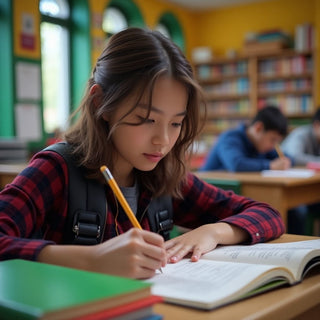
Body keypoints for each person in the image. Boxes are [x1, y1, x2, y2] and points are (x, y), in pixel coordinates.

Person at [0, 28, 285, 279]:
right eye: (147, 119)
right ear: (102, 103)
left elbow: (267, 214)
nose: (163, 141)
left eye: (176, 123)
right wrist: (91, 259)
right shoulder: (57, 169)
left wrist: (213, 232)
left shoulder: (166, 176)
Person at [201, 106, 293, 172]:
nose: (273, 146)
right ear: (259, 128)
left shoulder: (262, 146)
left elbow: (288, 158)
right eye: (272, 140)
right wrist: (271, 166)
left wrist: (286, 162)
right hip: (208, 193)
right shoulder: (230, 138)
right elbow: (237, 164)